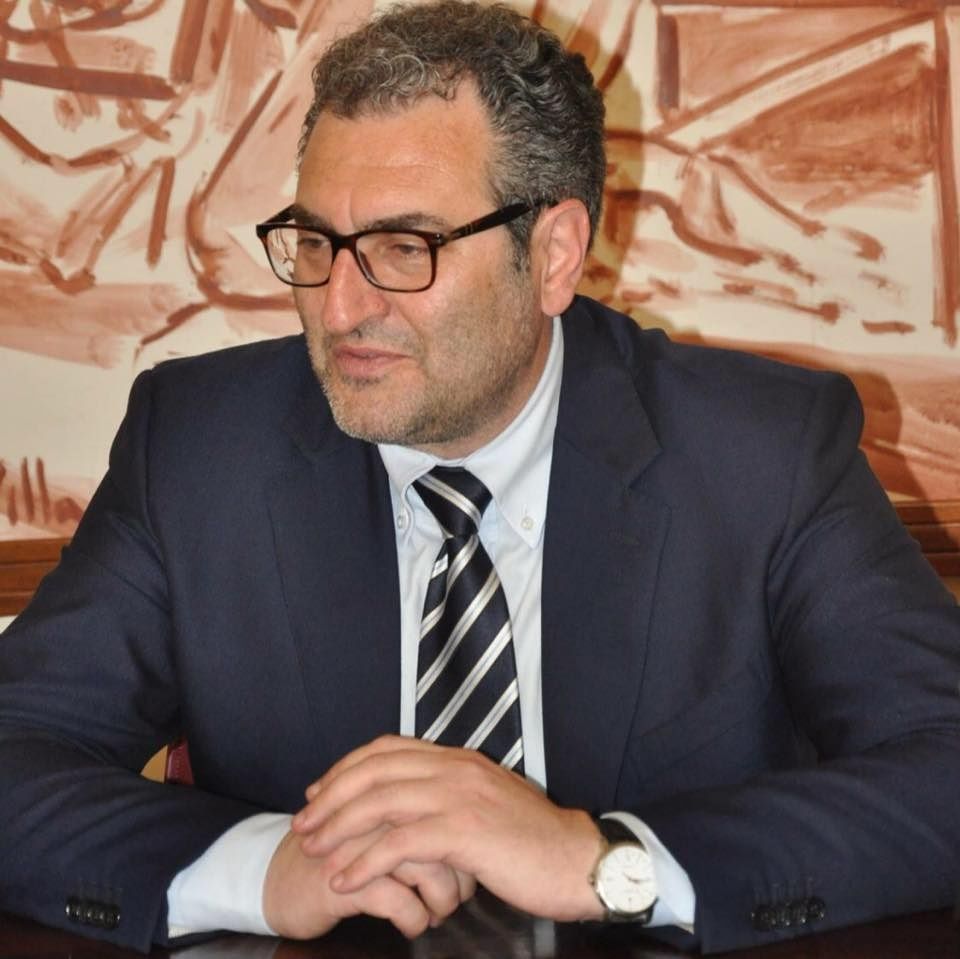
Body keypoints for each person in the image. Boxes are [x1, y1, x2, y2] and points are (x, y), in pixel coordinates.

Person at [1, 1, 958, 954]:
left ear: (553, 257)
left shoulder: (762, 456)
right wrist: (264, 868)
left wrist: (603, 860)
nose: (340, 308)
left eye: (404, 248)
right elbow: (17, 747)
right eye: (316, 243)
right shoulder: (199, 449)